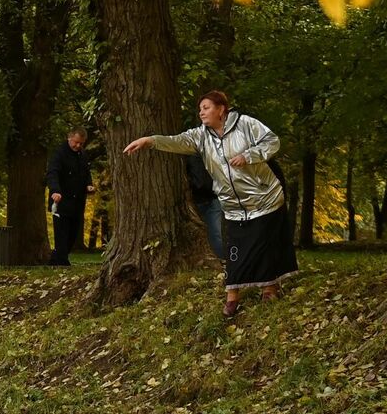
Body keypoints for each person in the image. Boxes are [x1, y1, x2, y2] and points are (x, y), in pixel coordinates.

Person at [123, 90, 298, 316]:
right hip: (233, 205)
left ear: (221, 109)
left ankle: (269, 289)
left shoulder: (245, 124)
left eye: (206, 107)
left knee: (263, 245)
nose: (201, 112)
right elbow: (177, 141)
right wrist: (150, 141)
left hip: (263, 197)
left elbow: (272, 141)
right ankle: (232, 296)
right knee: (234, 250)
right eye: (200, 109)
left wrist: (249, 156)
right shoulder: (200, 136)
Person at [44, 128, 95, 266]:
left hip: (77, 201)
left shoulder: (82, 155)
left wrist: (89, 184)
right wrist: (55, 190)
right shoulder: (59, 154)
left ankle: (55, 261)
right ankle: (62, 263)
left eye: (81, 144)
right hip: (61, 201)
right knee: (61, 234)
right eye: (76, 142)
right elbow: (52, 173)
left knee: (72, 235)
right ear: (69, 138)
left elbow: (86, 172)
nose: (78, 146)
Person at [185, 154, 224, 260]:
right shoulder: (187, 156)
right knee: (202, 231)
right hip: (197, 200)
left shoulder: (211, 152)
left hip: (213, 198)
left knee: (216, 232)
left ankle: (221, 259)